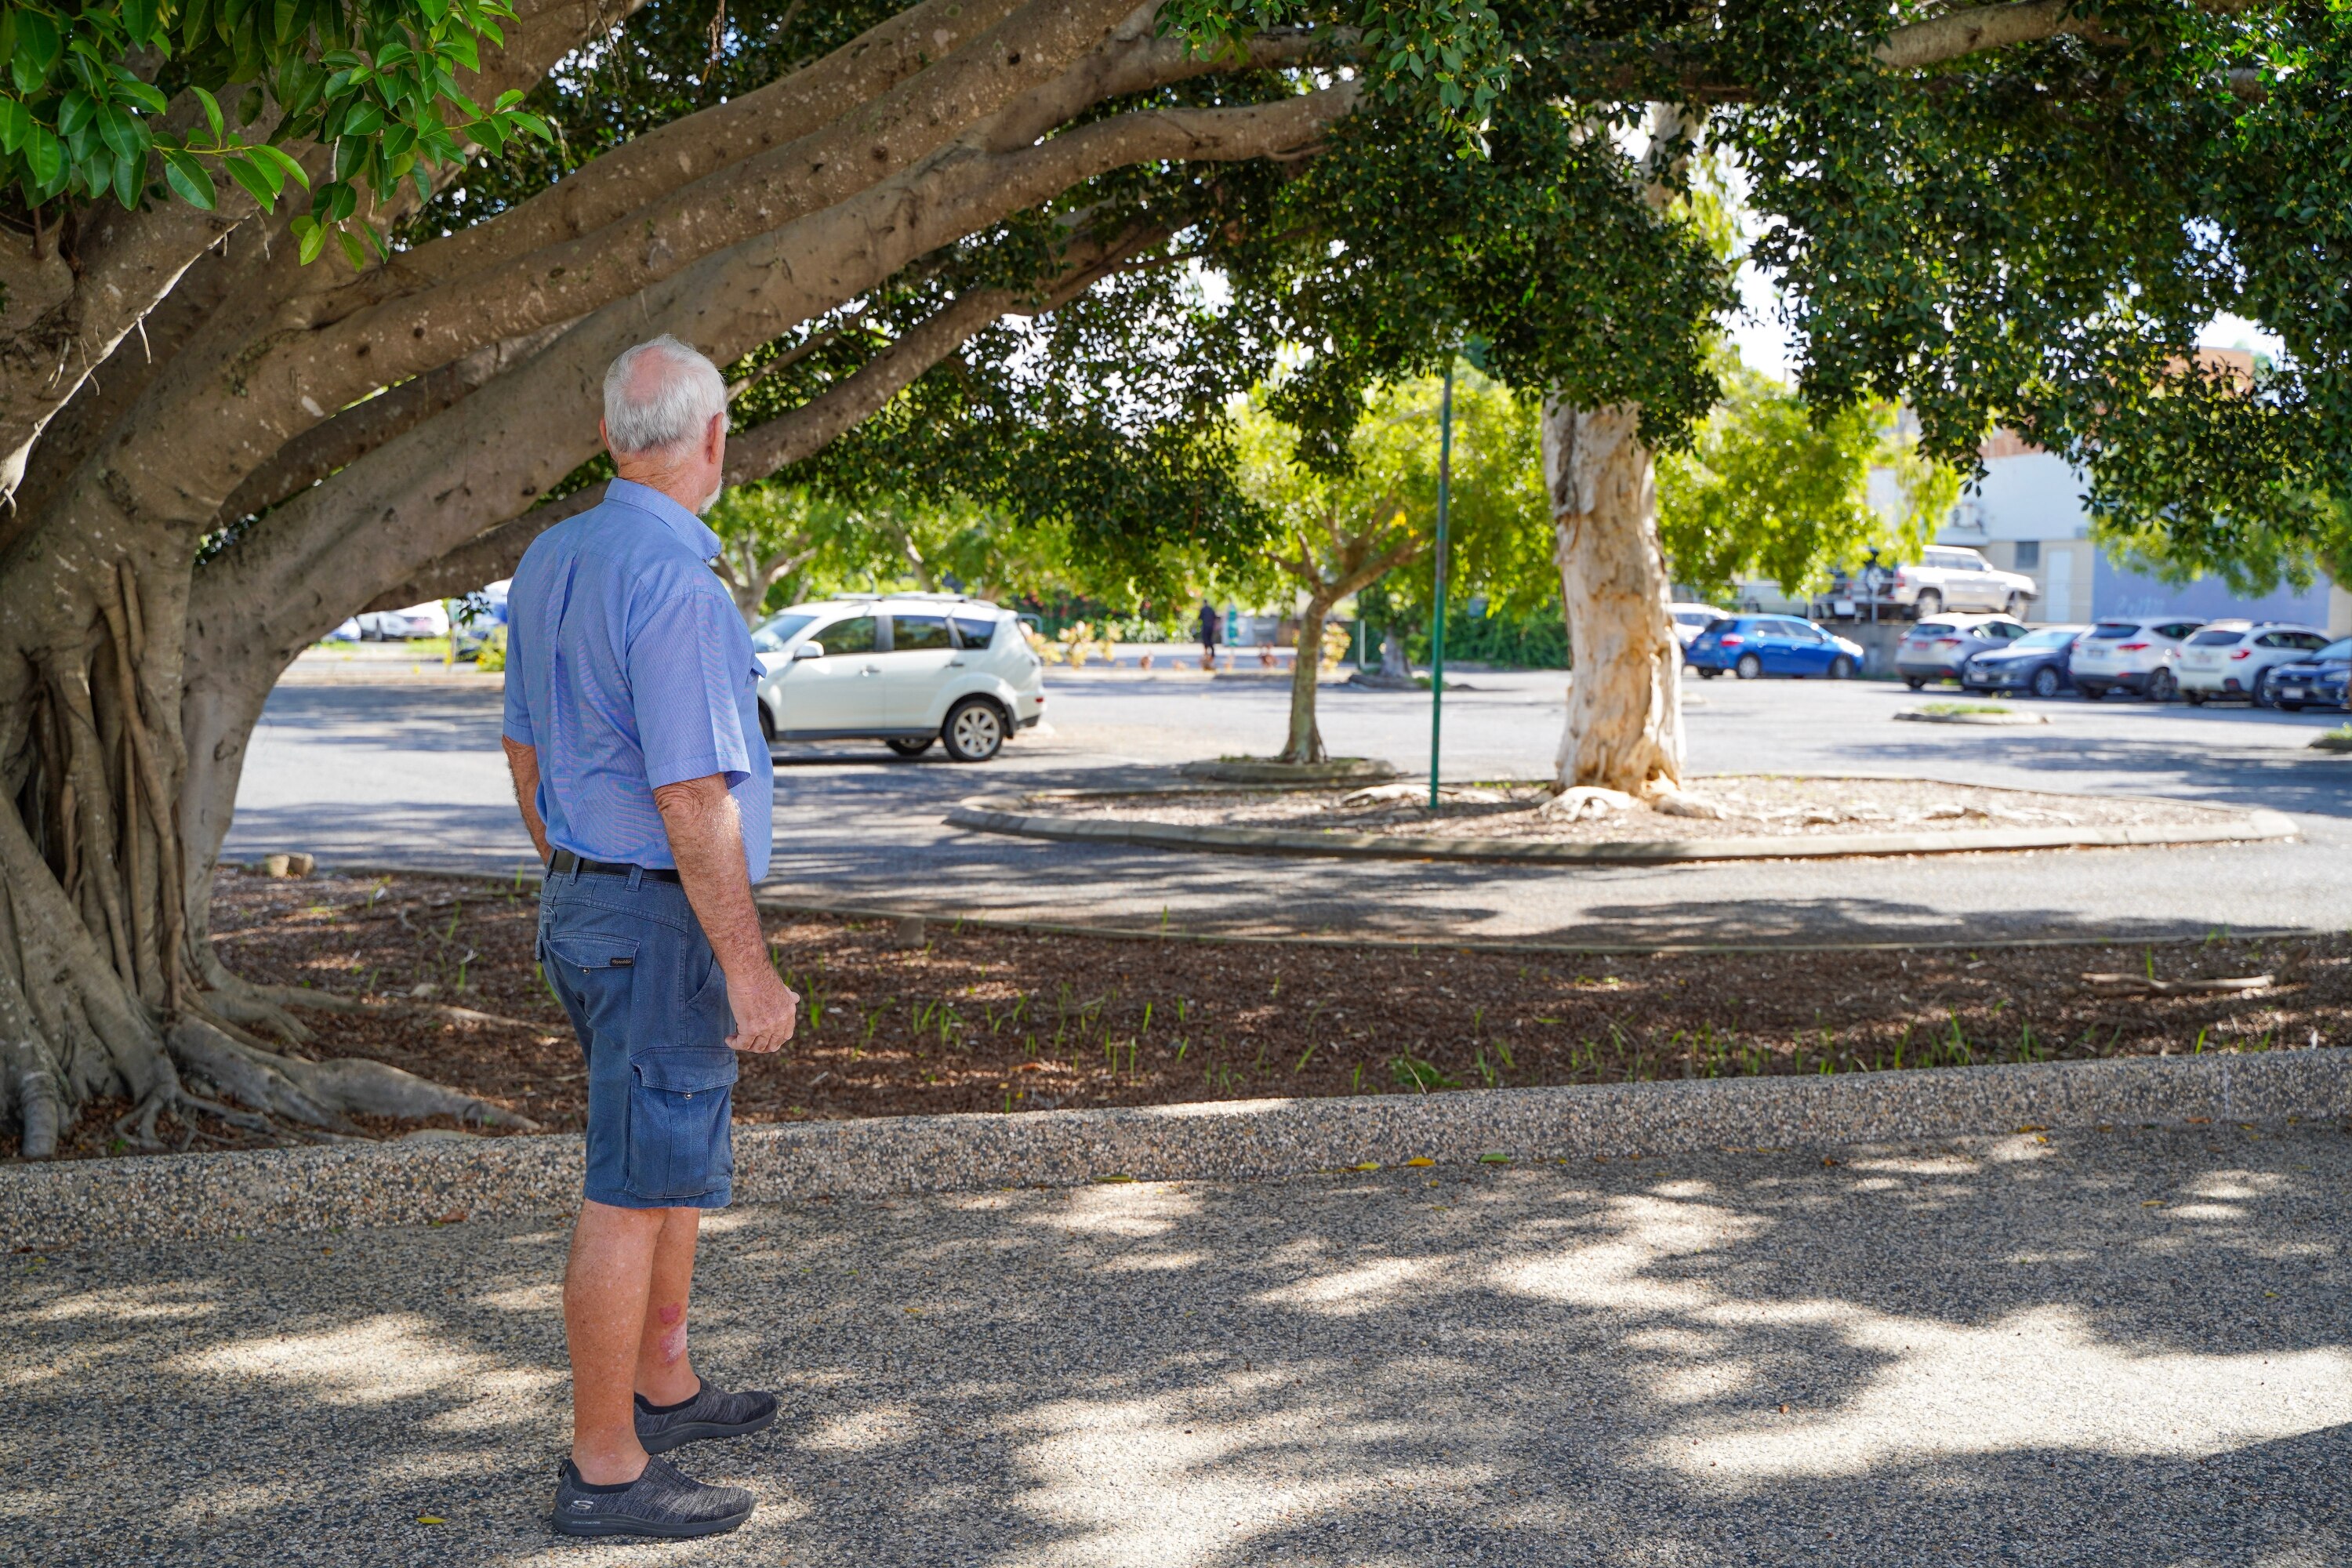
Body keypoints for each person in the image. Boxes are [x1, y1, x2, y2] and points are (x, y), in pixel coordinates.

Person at [501, 334, 800, 1541]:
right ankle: (607, 1469)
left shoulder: (551, 555)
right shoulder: (678, 584)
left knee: (661, 1157)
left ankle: (662, 1387)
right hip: (654, 911)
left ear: (614, 436)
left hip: (589, 898)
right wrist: (750, 967)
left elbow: (524, 749)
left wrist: (578, 877)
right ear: (713, 439)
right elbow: (694, 798)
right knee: (629, 1187)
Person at [1196, 599, 1221, 671]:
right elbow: (1215, 617)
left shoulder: (1203, 609)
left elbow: (1199, 618)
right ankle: (1211, 653)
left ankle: (1207, 653)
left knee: (1206, 640)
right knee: (1209, 640)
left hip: (1206, 627)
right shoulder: (1211, 609)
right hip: (1210, 627)